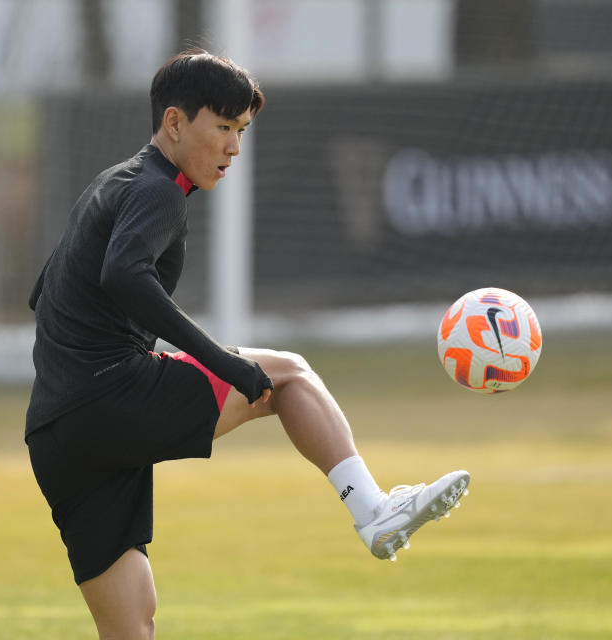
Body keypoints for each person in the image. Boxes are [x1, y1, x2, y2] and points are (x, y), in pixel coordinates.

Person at [26, 49, 470, 639]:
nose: (234, 147)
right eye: (223, 127)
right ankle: (374, 512)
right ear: (176, 123)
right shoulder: (157, 190)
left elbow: (45, 292)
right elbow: (122, 276)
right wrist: (219, 362)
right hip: (109, 397)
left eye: (242, 130)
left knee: (131, 624)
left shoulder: (110, 185)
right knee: (288, 373)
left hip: (55, 433)